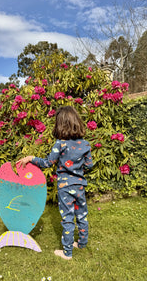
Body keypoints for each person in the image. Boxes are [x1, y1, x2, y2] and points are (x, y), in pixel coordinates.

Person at [17, 106, 93, 260]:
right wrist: (78, 169)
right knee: (82, 216)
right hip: (79, 185)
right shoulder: (85, 145)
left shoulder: (60, 144)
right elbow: (89, 165)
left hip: (65, 188)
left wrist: (31, 158)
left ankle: (67, 253)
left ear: (60, 125)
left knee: (67, 219)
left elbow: (48, 162)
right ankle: (82, 243)